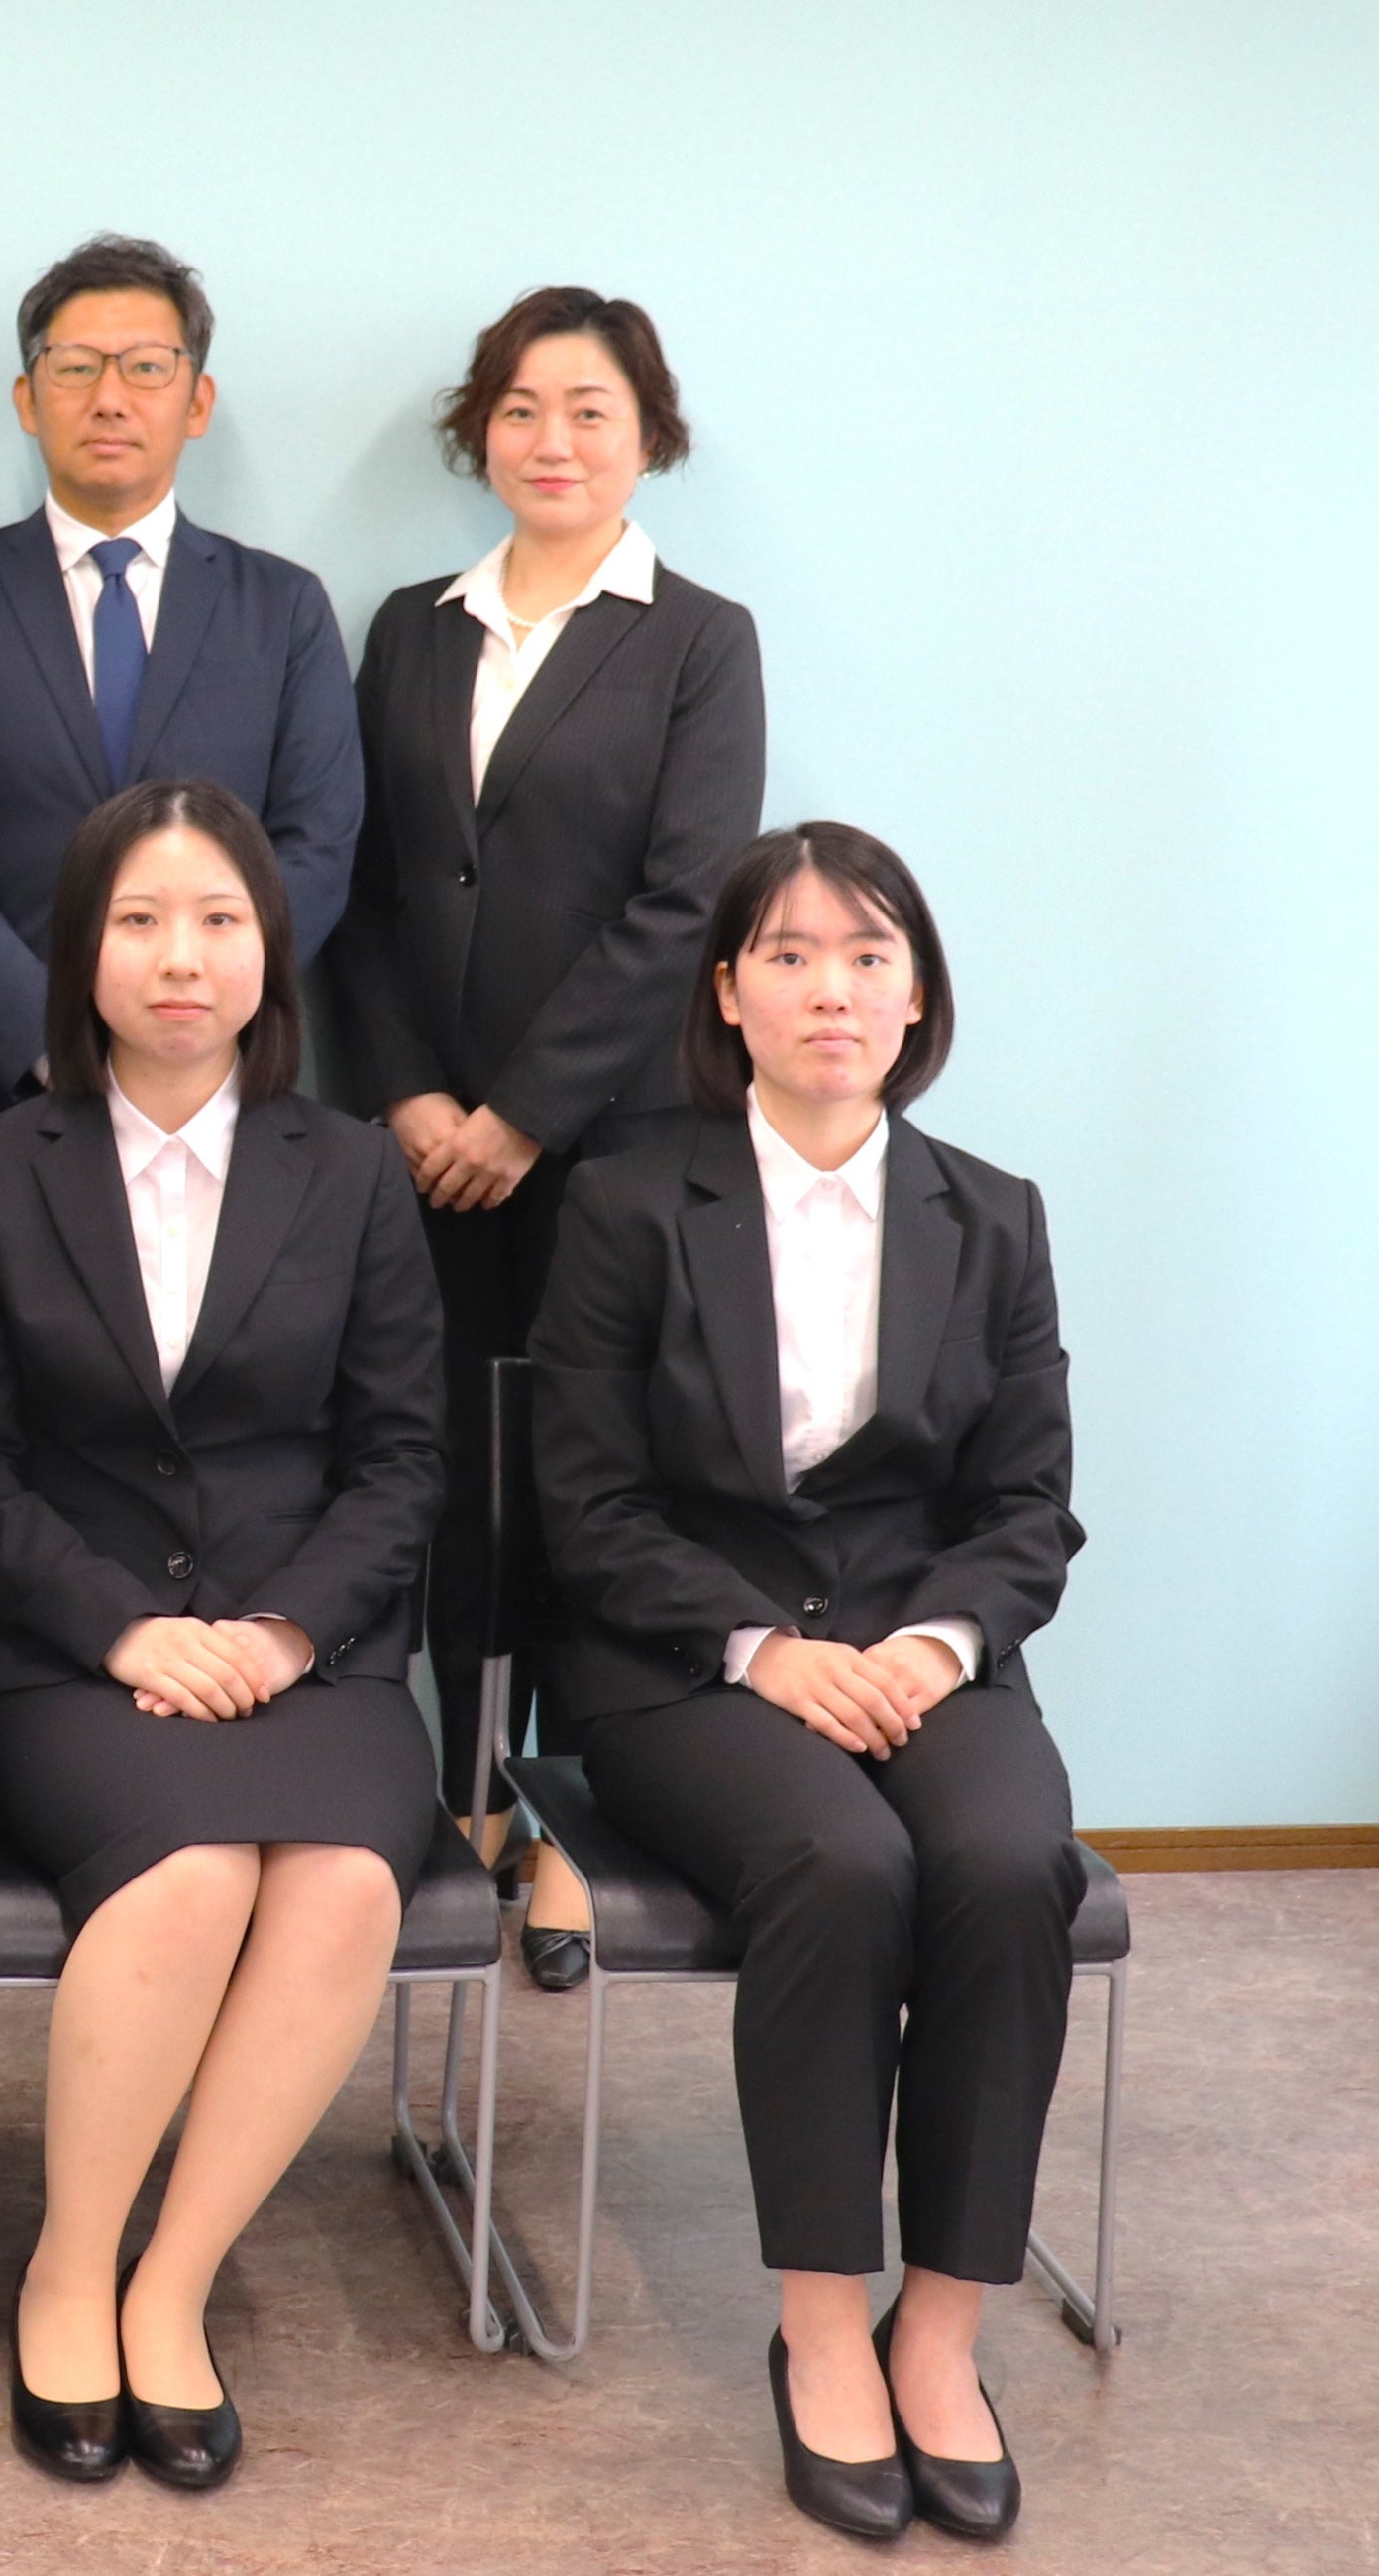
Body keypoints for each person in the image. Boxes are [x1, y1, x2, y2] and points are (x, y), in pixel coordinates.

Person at [532, 825, 1079, 2542]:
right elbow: (586, 1505)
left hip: (924, 1654)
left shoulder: (992, 1215)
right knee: (841, 1867)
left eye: (866, 954)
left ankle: (942, 2329)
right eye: (787, 954)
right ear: (727, 995)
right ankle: (825, 2324)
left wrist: (930, 1645)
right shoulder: (629, 1203)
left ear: (917, 997)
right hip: (687, 1665)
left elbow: (1028, 1509)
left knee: (1009, 1864)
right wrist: (764, 1650)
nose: (828, 989)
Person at [0, 779, 443, 2491]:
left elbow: (400, 1463)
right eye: (139, 921)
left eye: (218, 920)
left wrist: (286, 1631)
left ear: (267, 952)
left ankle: (174, 2281)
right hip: (63, 1655)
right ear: (82, 954)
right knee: (196, 1872)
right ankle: (68, 2271)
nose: (179, 958)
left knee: (345, 1881)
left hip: (310, 1649)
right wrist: (125, 1630)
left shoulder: (351, 1171)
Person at [322, 287, 764, 1985]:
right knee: (434, 1475)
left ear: (648, 434)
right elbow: (368, 886)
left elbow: (685, 904)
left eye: (589, 410)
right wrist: (414, 1097)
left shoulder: (699, 639)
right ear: (479, 432)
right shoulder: (411, 628)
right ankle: (452, 1802)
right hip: (420, 1145)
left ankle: (574, 1827)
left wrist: (522, 1111)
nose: (552, 440)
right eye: (520, 409)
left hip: (613, 1146)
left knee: (595, 1484)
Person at [0, 234, 363, 1182]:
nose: (109, 397)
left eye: (145, 367)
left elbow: (319, 845)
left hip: (226, 1088)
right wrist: (48, 1038)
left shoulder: (282, 607)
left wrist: (197, 1026)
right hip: (4, 1093)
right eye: (75, 367)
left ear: (196, 402)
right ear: (28, 399)